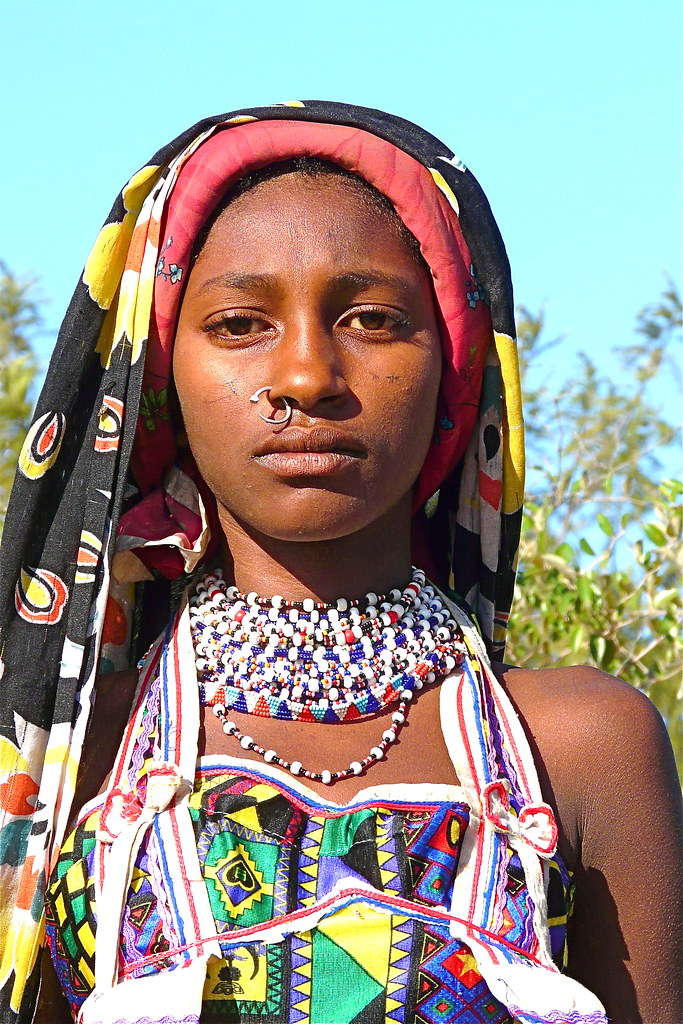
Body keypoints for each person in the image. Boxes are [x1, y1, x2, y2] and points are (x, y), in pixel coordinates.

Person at [0, 102, 680, 1024]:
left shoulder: (582, 747)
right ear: (158, 379)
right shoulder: (68, 764)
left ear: (457, 363)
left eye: (370, 318)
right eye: (240, 324)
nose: (308, 375)